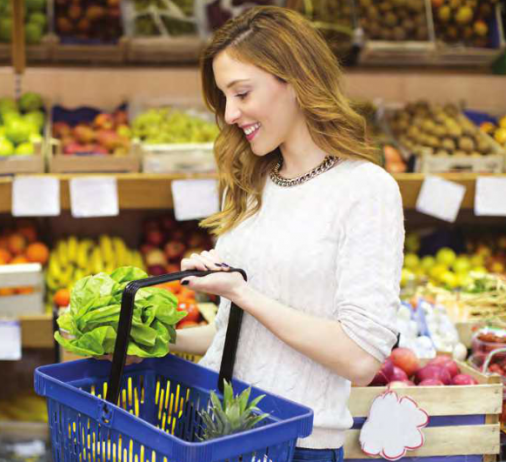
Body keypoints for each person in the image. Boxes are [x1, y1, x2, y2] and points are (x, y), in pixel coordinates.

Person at [172, 6, 404, 461]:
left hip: (296, 444)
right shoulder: (249, 185)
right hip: (214, 428)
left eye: (241, 93)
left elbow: (360, 359)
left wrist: (242, 293)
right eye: (223, 97)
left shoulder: (365, 189)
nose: (231, 113)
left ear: (295, 80)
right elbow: (237, 335)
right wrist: (155, 341)